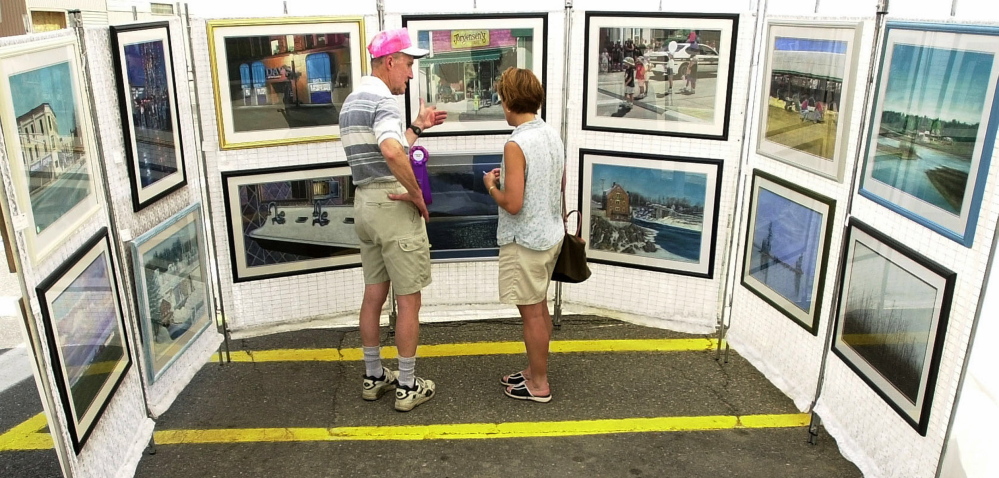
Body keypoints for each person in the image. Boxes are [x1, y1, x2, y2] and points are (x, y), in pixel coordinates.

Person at [338, 28, 447, 412]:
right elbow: (389, 150)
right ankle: (406, 384)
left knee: (373, 294)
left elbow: (388, 146)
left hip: (365, 205)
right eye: (408, 64)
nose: (411, 74)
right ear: (390, 62)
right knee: (409, 299)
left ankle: (373, 377)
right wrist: (416, 194)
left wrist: (416, 128)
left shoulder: (353, 101)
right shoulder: (383, 100)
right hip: (392, 206)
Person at [482, 67, 565, 403]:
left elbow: (512, 204)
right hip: (550, 234)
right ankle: (534, 370)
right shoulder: (549, 133)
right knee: (539, 307)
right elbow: (557, 183)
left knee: (530, 312)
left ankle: (539, 384)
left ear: (508, 101)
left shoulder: (516, 144)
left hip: (525, 242)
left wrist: (491, 185)